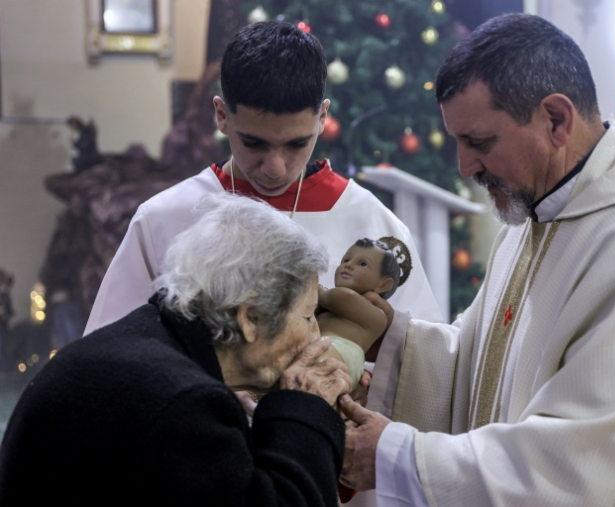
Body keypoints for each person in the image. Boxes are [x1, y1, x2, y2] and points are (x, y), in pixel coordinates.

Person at [339, 13, 615, 506]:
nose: (465, 165)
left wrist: (399, 458)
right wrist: (394, 340)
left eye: (479, 143)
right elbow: (484, 375)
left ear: (556, 119)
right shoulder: (536, 218)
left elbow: (585, 471)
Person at [83, 20, 441, 339]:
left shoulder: (373, 226)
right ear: (222, 116)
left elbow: (415, 367)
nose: (276, 168)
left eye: (296, 144)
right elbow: (111, 356)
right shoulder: (163, 219)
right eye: (254, 143)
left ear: (322, 117)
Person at [0, 193, 352, 506]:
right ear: (250, 317)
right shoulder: (181, 403)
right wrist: (306, 411)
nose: (315, 335)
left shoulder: (147, 342)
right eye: (307, 316)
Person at [318, 238, 400, 388]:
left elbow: (342, 298)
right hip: (322, 346)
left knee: (318, 368)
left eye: (362, 264)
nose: (348, 265)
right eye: (346, 260)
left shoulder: (377, 315)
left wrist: (316, 290)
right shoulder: (328, 306)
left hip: (343, 352)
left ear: (383, 284)